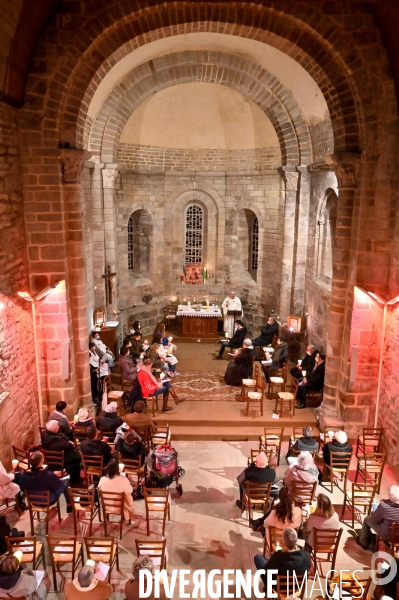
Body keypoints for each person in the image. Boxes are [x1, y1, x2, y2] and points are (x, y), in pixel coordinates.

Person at [357, 485, 399, 550]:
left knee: (367, 519)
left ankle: (363, 542)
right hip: (397, 535)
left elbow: (375, 519)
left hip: (388, 535)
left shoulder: (384, 506)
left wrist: (374, 512)